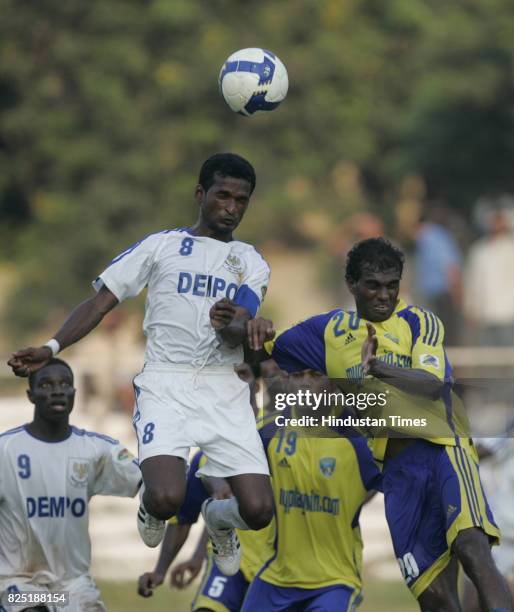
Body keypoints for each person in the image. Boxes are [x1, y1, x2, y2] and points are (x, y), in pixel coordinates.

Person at [7, 153, 275, 576]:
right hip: (166, 384)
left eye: (241, 200)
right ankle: (151, 505)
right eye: (223, 196)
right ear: (200, 194)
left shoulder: (251, 261)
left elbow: (238, 326)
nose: (231, 207)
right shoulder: (161, 246)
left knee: (260, 510)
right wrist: (52, 346)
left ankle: (219, 521)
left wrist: (237, 325)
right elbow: (100, 302)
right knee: (166, 498)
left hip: (224, 387)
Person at [238, 237, 510, 611]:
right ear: (352, 284)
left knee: (473, 549)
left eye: (391, 285)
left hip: (442, 452)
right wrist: (254, 328)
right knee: (435, 598)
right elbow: (261, 356)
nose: (384, 295)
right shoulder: (328, 331)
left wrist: (381, 368)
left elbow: (433, 384)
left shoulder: (419, 321)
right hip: (397, 474)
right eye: (373, 285)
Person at [0, 358, 141, 612]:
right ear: (31, 395)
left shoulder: (95, 449)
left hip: (74, 586)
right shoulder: (6, 450)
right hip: (17, 585)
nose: (57, 390)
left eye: (65, 383)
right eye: (46, 384)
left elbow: (148, 482)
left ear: (74, 393)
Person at [240, 369, 382, 612]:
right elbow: (226, 469)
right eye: (296, 375)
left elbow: (397, 481)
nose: (305, 383)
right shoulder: (270, 431)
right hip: (277, 577)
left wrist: (351, 497)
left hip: (334, 581)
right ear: (286, 380)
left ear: (334, 382)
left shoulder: (359, 439)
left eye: (315, 374)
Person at [138, 450, 268, 612]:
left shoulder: (274, 448)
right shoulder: (203, 458)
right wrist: (161, 571)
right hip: (236, 561)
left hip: (278, 566)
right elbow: (185, 519)